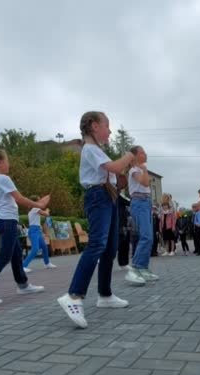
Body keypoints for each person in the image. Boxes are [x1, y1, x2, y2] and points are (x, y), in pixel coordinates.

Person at [57, 111, 135, 328]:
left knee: (110, 247)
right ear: (93, 126)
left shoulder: (98, 151)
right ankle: (73, 295)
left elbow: (115, 175)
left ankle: (105, 294)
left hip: (108, 196)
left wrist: (120, 178)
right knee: (97, 244)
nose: (109, 131)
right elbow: (115, 167)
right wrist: (129, 156)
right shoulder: (90, 149)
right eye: (106, 126)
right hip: (98, 197)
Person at [0, 149, 51, 306]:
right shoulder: (3, 178)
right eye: (7, 161)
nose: (9, 164)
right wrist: (40, 204)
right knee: (4, 256)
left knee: (16, 254)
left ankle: (23, 285)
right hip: (7, 221)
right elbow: (20, 199)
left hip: (3, 220)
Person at [126, 145, 154, 284]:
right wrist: (144, 169)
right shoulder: (134, 170)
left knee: (149, 237)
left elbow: (146, 184)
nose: (145, 154)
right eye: (142, 152)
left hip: (146, 202)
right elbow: (144, 182)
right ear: (135, 156)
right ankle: (135, 268)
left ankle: (143, 268)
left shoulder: (140, 169)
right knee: (146, 236)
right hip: (139, 202)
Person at [23, 195, 57, 271]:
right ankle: (23, 266)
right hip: (34, 231)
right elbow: (46, 214)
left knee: (44, 247)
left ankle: (47, 263)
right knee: (35, 249)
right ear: (35, 202)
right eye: (39, 201)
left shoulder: (33, 209)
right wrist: (47, 210)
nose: (40, 202)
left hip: (37, 231)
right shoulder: (35, 208)